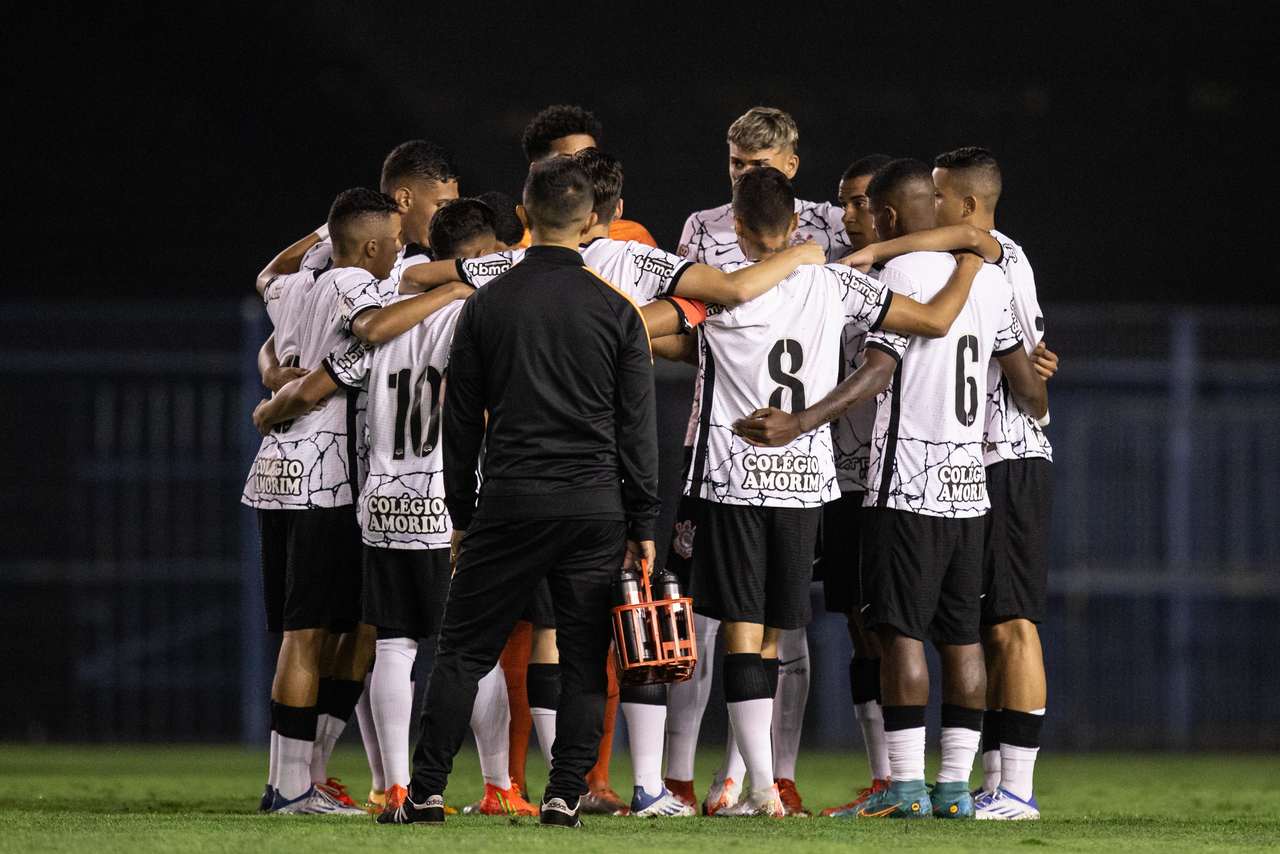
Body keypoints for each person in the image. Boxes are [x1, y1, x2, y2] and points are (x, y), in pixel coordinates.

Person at [732, 159, 1047, 820]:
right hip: (971, 489)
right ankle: (956, 789)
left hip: (907, 486)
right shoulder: (988, 278)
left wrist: (800, 420)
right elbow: (1029, 389)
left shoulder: (899, 274)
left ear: (891, 217)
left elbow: (877, 371)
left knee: (899, 633)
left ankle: (904, 788)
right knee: (961, 638)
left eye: (871, 212)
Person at [683, 167, 989, 817]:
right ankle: (943, 785)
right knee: (778, 638)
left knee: (743, 634)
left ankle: (760, 786)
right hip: (807, 484)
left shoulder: (716, 291)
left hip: (734, 476)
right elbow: (933, 321)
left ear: (736, 228)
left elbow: (652, 326)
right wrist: (968, 263)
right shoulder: (835, 281)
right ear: (797, 223)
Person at [382, 157, 660, 829]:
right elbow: (637, 426)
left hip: (510, 501)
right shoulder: (617, 309)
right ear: (592, 220)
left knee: (462, 652)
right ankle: (565, 793)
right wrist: (644, 518)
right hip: (595, 506)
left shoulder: (487, 304)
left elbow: (460, 416)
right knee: (584, 656)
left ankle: (422, 794)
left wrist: (461, 513)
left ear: (526, 219)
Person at [251, 199, 537, 818]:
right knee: (471, 645)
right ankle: (499, 787)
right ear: (481, 255)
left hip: (380, 499)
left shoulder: (381, 310)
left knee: (393, 644)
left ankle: (394, 786)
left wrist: (271, 403)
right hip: (445, 498)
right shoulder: (472, 313)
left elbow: (327, 373)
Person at [669, 105, 850, 816]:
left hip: (797, 446)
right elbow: (691, 319)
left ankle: (767, 774)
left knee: (783, 621)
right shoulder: (702, 226)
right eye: (736, 163)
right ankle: (696, 778)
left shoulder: (830, 227)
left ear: (791, 166)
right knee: (707, 619)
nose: (744, 176)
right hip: (715, 440)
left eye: (758, 166)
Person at [242, 188, 405, 815]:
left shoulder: (297, 286)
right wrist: (460, 285)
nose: (398, 251)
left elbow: (268, 274)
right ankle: (290, 786)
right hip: (326, 477)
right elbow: (372, 332)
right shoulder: (358, 286)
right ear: (369, 246)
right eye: (390, 241)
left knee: (322, 630)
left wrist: (324, 228)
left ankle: (300, 777)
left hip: (278, 474)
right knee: (310, 633)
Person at [934, 146, 1054, 820]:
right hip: (978, 462)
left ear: (971, 207)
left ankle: (1018, 789)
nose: (932, 206)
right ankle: (996, 780)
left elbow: (1030, 395)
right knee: (985, 624)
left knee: (1013, 623)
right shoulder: (975, 263)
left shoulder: (995, 251)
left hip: (1009, 456)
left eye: (940, 195)